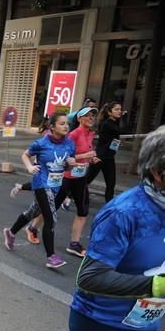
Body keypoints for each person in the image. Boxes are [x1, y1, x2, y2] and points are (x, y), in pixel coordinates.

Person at [26, 126, 165, 331]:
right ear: (159, 173)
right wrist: (156, 286)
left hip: (144, 326)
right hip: (100, 324)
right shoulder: (126, 213)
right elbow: (89, 277)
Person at [2, 112, 77, 269]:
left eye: (67, 123)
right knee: (51, 218)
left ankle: (11, 232)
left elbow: (68, 166)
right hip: (41, 184)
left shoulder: (70, 144)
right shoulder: (41, 143)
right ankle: (51, 257)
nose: (66, 126)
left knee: (33, 212)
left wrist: (71, 163)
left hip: (55, 185)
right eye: (62, 123)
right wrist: (30, 167)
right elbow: (25, 155)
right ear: (52, 126)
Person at [60, 107, 99, 258]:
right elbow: (65, 156)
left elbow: (85, 154)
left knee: (83, 211)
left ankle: (74, 244)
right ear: (79, 119)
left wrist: (90, 158)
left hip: (80, 178)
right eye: (87, 116)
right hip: (67, 177)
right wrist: (86, 154)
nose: (91, 118)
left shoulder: (90, 133)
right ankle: (33, 227)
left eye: (92, 116)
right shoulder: (73, 134)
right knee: (51, 207)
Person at [85, 101, 124, 203]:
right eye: (116, 109)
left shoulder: (115, 122)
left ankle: (109, 204)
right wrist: (124, 117)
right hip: (100, 157)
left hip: (110, 157)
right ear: (109, 112)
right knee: (88, 179)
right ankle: (70, 194)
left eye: (120, 109)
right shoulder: (107, 124)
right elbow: (121, 130)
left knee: (111, 183)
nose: (120, 111)